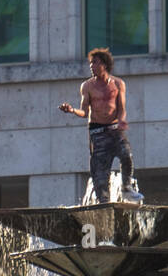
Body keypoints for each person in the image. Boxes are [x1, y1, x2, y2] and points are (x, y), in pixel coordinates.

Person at [58, 48, 141, 204]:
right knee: (100, 172)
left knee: (126, 156)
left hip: (114, 129)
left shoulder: (118, 83)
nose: (91, 66)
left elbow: (121, 108)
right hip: (97, 132)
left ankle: (126, 188)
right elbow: (84, 111)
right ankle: (103, 202)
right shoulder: (87, 86)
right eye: (90, 63)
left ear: (104, 65)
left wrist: (122, 120)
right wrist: (72, 110)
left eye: (94, 63)